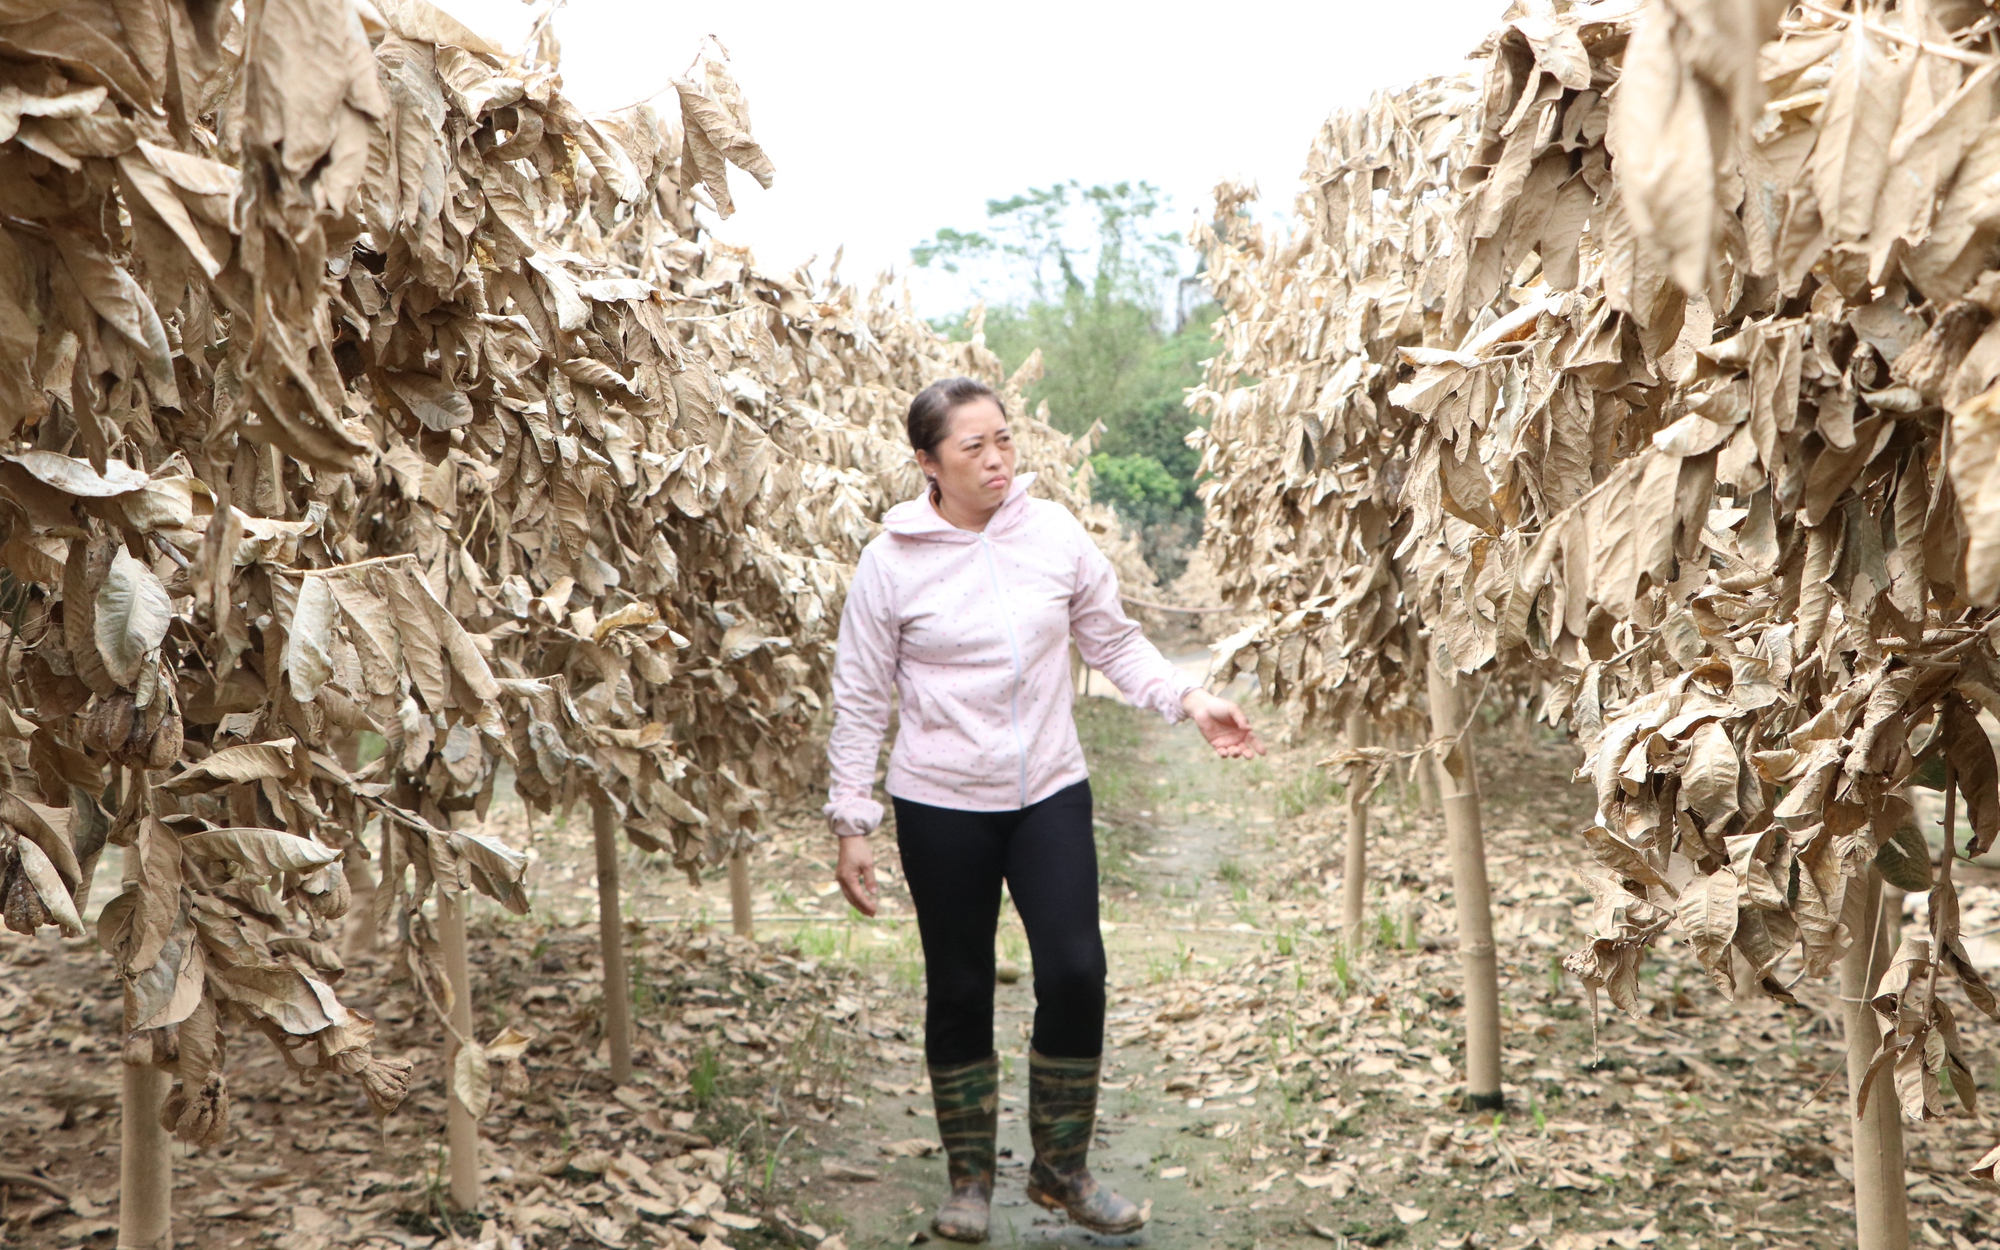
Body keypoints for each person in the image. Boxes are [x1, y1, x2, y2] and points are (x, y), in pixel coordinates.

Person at [823, 376, 1264, 1243]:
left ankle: (1062, 1171)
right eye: (971, 448)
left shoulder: (1052, 533)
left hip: (1049, 791)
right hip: (940, 800)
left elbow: (1113, 641)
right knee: (958, 984)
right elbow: (861, 696)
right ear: (927, 463)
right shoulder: (891, 563)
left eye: (1003, 440)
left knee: (1075, 971)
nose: (995, 461)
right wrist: (851, 820)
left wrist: (1189, 699)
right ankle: (969, 1184)